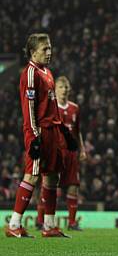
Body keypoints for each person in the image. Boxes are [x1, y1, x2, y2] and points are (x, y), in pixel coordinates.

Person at [5, 33, 77, 238]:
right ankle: (14, 224)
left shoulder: (48, 72)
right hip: (39, 131)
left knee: (52, 178)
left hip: (54, 131)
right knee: (32, 174)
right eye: (45, 49)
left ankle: (49, 226)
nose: (49, 52)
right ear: (32, 51)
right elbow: (29, 108)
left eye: (50, 48)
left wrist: (64, 130)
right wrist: (34, 136)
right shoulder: (30, 73)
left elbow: (52, 106)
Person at [35, 76, 87, 230]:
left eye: (66, 87)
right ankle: (40, 220)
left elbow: (77, 131)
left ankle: (72, 223)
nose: (64, 90)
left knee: (73, 186)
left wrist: (82, 149)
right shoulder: (50, 107)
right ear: (55, 89)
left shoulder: (74, 108)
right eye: (61, 87)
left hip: (71, 154)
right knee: (47, 185)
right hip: (54, 151)